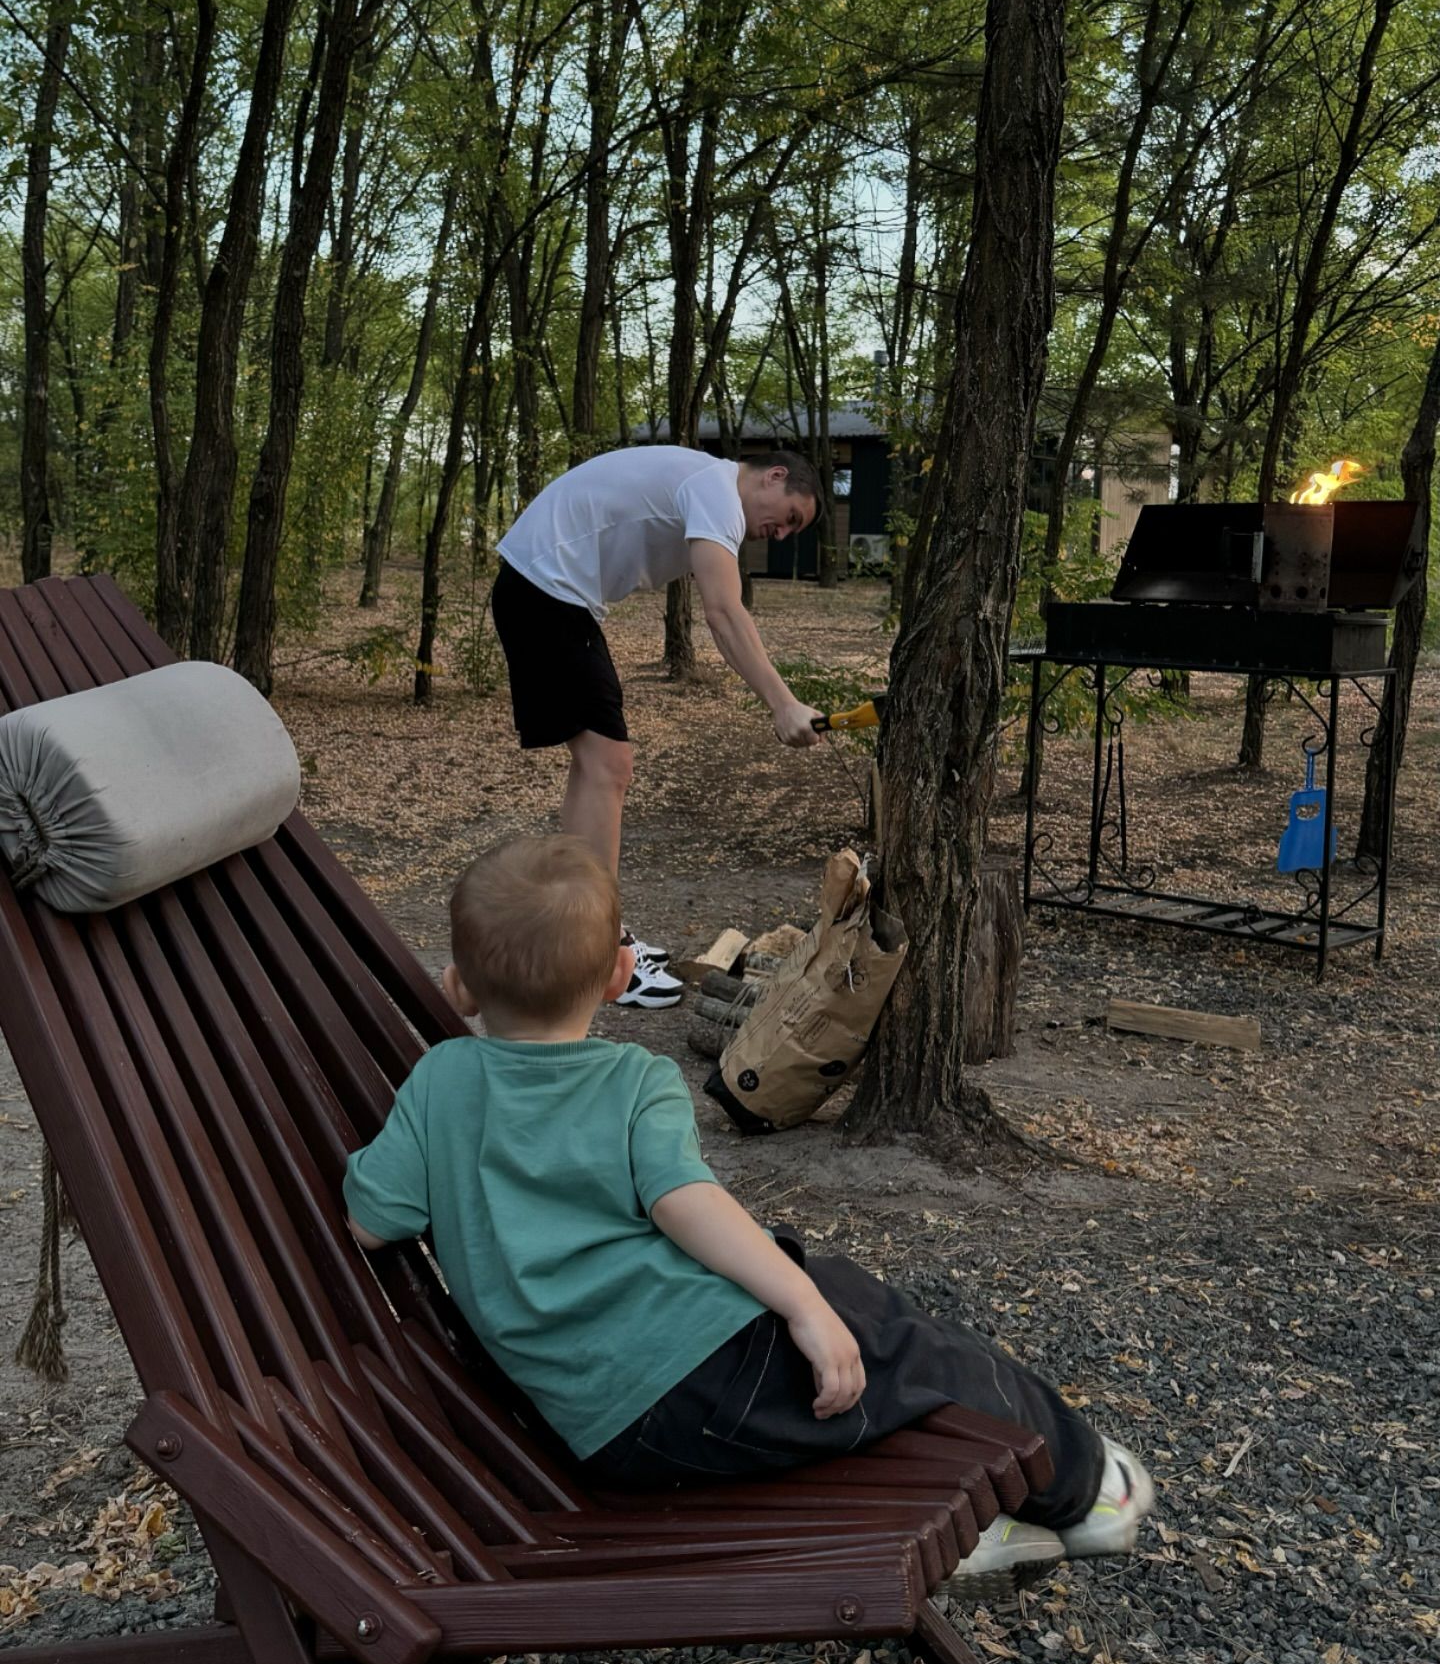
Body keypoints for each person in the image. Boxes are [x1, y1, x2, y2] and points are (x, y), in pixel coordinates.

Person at [344, 835, 1155, 1597]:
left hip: (602, 1431)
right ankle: (1090, 1487)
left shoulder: (439, 1084)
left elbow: (373, 1222)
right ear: (622, 976)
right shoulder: (634, 1080)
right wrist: (801, 1305)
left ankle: (961, 1506)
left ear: (458, 983)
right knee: (909, 1347)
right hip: (697, 1368)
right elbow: (689, 1206)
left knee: (847, 1333)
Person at [491, 445, 824, 1009]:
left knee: (598, 766)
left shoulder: (705, 489)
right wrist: (783, 703)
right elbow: (722, 610)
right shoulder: (716, 489)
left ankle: (582, 936)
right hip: (547, 590)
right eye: (791, 517)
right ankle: (601, 951)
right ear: (774, 476)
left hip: (547, 592)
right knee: (608, 764)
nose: (784, 534)